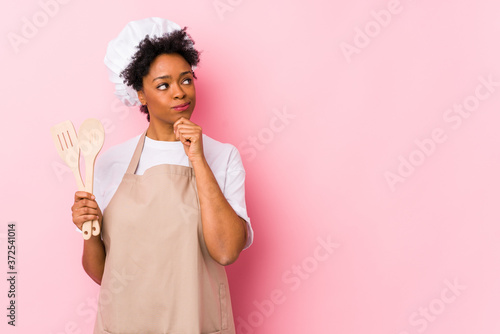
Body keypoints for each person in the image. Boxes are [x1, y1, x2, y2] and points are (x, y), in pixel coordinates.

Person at [70, 17, 253, 333]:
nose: (180, 93)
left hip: (195, 322)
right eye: (163, 85)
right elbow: (104, 274)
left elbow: (225, 251)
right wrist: (88, 229)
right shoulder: (110, 162)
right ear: (140, 94)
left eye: (186, 80)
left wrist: (197, 159)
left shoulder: (222, 157)